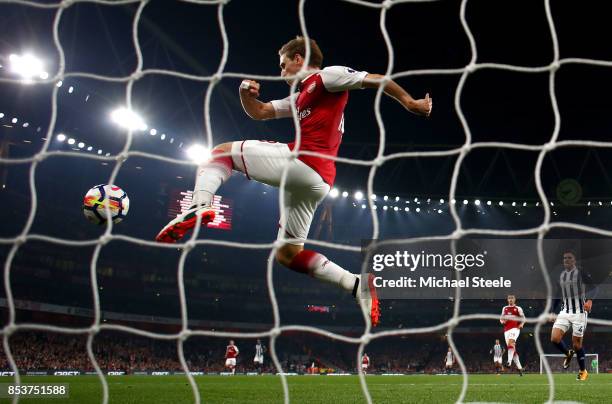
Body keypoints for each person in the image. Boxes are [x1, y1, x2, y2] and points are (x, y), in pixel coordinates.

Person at [155, 36, 432, 326]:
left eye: (283, 64)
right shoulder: (299, 97)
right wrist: (245, 94)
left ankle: (198, 205)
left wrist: (409, 101)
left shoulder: (326, 76)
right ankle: (356, 285)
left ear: (299, 59)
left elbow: (376, 79)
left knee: (220, 153)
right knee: (288, 255)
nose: (281, 71)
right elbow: (260, 112)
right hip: (317, 182)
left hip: (303, 162)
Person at [550, 249, 596, 381]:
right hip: (565, 312)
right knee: (554, 338)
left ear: (574, 260)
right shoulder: (562, 275)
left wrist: (590, 300)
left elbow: (594, 288)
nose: (567, 260)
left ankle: (583, 371)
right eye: (565, 258)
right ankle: (567, 353)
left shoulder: (581, 272)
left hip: (579, 313)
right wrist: (553, 310)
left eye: (569, 258)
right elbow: (558, 294)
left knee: (577, 345)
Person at [500, 294, 524, 376]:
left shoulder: (518, 308)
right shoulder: (504, 308)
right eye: (509, 298)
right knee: (512, 349)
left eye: (512, 298)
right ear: (507, 300)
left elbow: (523, 318)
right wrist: (502, 321)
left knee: (511, 343)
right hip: (506, 330)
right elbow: (501, 318)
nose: (510, 300)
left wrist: (522, 324)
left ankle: (509, 362)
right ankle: (520, 368)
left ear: (515, 299)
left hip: (515, 328)